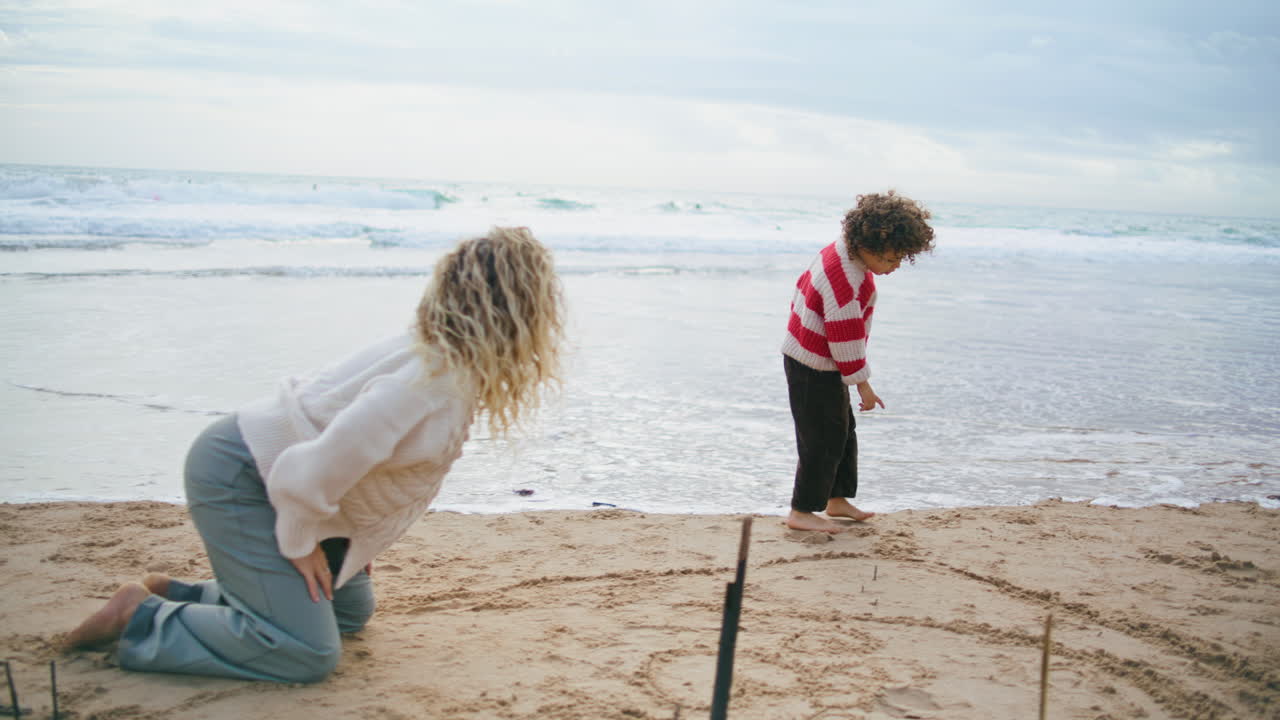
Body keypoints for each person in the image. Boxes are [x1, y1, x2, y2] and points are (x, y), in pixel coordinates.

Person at [63, 227, 565, 682]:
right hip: (242, 473)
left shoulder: (445, 362)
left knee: (347, 614)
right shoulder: (426, 381)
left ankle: (180, 596)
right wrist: (304, 538)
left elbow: (358, 464)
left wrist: (351, 536)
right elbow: (309, 469)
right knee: (305, 651)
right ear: (521, 312)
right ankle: (141, 617)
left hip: (279, 477)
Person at [781, 191, 935, 534]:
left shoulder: (845, 252)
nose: (896, 267)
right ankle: (801, 509)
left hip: (821, 359)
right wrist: (863, 384)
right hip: (812, 364)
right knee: (821, 439)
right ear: (870, 245)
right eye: (894, 259)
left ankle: (837, 499)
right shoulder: (843, 277)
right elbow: (844, 337)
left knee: (843, 432)